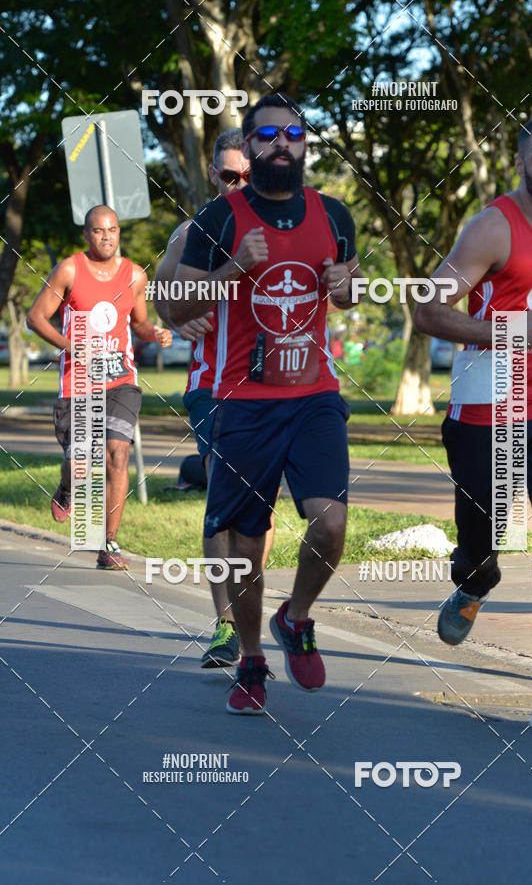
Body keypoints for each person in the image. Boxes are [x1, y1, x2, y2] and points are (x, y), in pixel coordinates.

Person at [170, 92, 362, 715]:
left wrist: (347, 286)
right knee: (246, 545)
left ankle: (296, 617)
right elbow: (176, 305)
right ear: (250, 148)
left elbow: (351, 289)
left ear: (305, 145)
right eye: (269, 134)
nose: (283, 143)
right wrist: (231, 270)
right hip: (244, 400)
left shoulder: (334, 214)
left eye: (294, 134)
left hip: (314, 393)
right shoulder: (217, 219)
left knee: (330, 522)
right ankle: (251, 658)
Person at [415, 115, 532, 730]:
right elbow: (427, 310)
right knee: (484, 535)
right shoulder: (492, 228)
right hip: (486, 404)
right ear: (521, 163)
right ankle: (474, 581)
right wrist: (507, 330)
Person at [154, 128, 276, 667]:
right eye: (230, 176)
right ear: (212, 175)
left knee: (260, 508)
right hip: (213, 385)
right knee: (225, 502)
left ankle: (249, 614)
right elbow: (162, 292)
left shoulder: (286, 228)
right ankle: (226, 624)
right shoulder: (194, 231)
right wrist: (177, 319)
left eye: (249, 175)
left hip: (273, 386)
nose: (239, 184)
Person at [26, 205, 172, 570]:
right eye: (98, 230)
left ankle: (109, 544)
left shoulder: (135, 275)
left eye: (113, 230)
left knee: (117, 453)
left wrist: (155, 333)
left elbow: (139, 324)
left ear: (119, 232)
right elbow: (35, 317)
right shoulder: (69, 270)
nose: (106, 236)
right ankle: (67, 488)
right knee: (79, 464)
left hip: (120, 380)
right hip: (78, 381)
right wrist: (71, 346)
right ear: (86, 234)